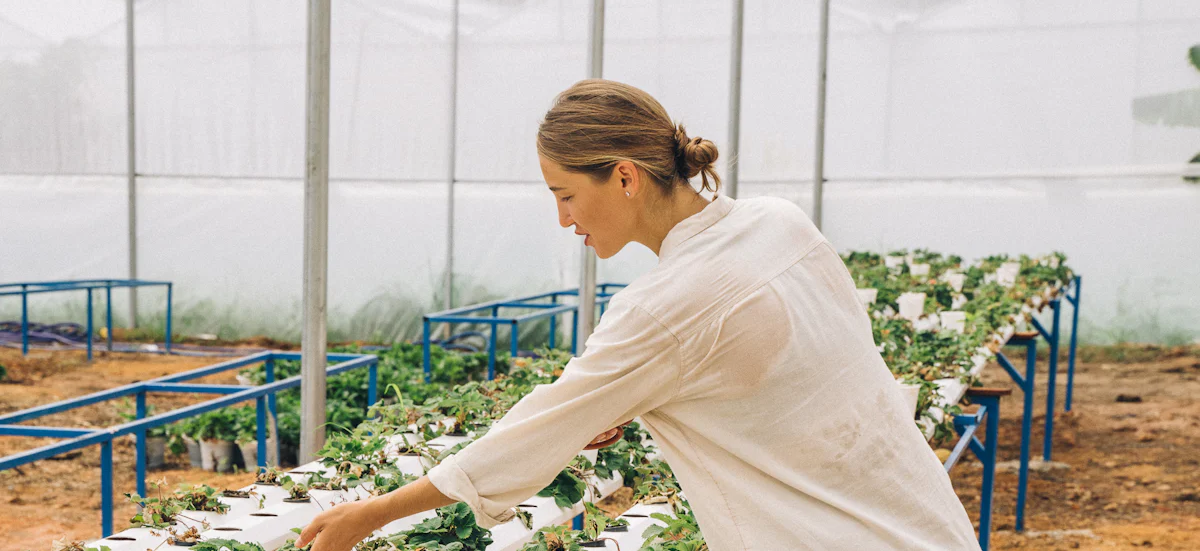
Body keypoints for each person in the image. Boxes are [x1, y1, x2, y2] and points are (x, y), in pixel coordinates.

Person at [297, 80, 980, 551]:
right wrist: (650, 395)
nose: (562, 218)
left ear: (625, 177)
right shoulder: (782, 223)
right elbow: (782, 371)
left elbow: (530, 437)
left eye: (564, 194)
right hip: (924, 524)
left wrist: (370, 515)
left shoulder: (662, 309)